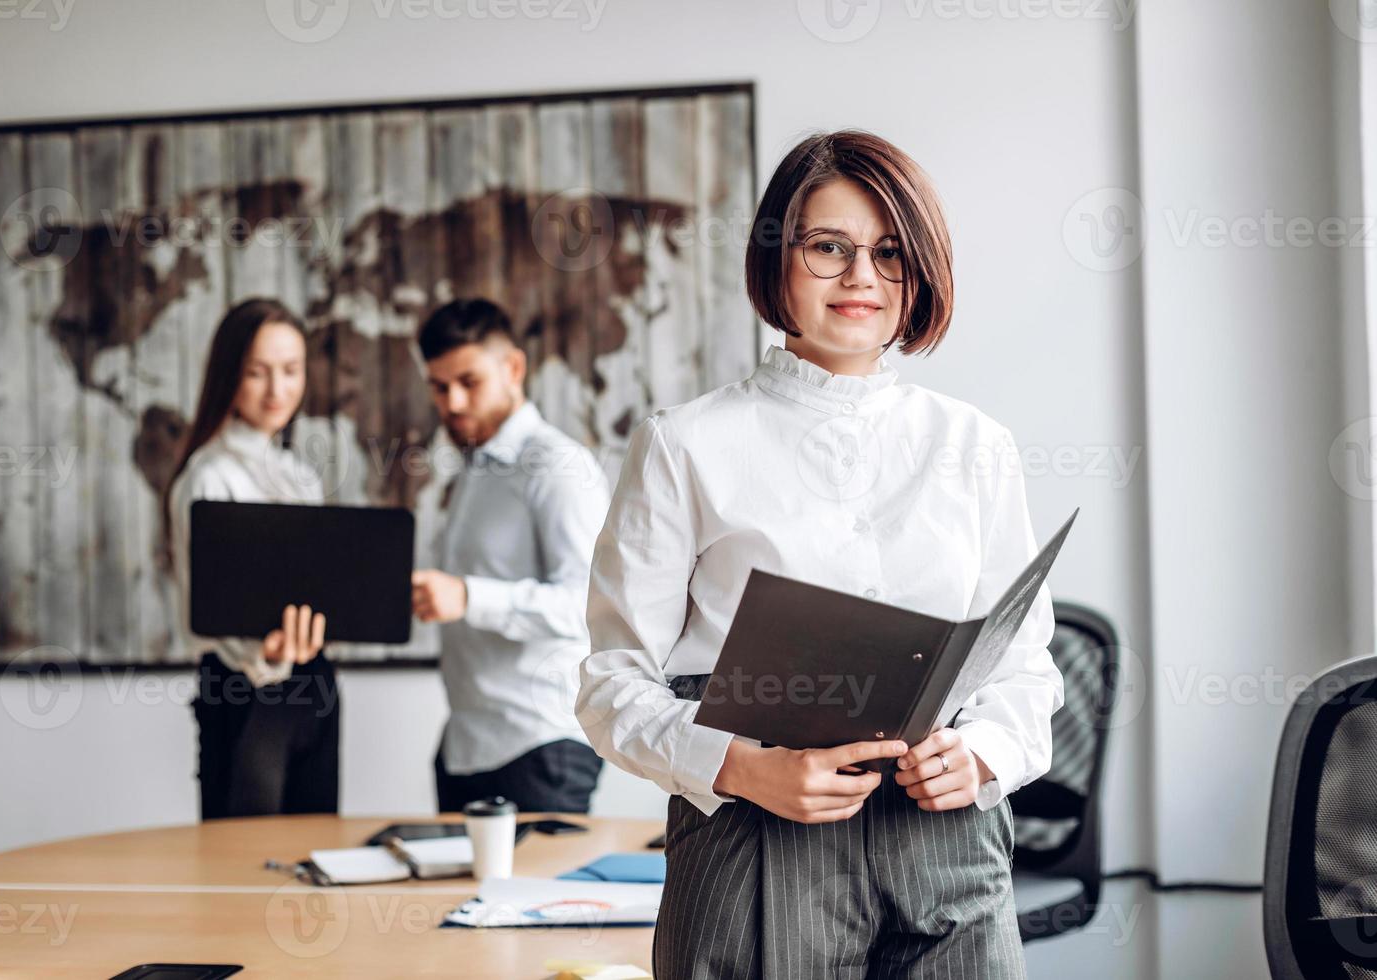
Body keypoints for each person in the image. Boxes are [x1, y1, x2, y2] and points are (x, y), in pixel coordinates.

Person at [577, 131, 1064, 978]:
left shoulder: (975, 445)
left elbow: (1026, 671)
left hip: (945, 841)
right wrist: (740, 767)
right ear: (778, 260)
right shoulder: (683, 444)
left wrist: (984, 753)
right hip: (756, 831)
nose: (862, 279)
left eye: (889, 253)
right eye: (828, 247)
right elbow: (611, 681)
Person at [410, 298, 612, 814]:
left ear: (513, 368)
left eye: (468, 382)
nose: (452, 402)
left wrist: (469, 596)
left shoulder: (558, 467)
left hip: (540, 747)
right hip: (464, 747)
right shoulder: (471, 474)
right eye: (438, 386)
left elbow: (589, 608)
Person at [165, 297, 338, 821]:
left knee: (317, 860)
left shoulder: (298, 476)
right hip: (242, 690)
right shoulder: (209, 476)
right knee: (243, 866)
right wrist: (266, 652)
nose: (277, 390)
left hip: (315, 684)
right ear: (228, 376)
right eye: (257, 373)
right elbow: (209, 607)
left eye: (291, 371)